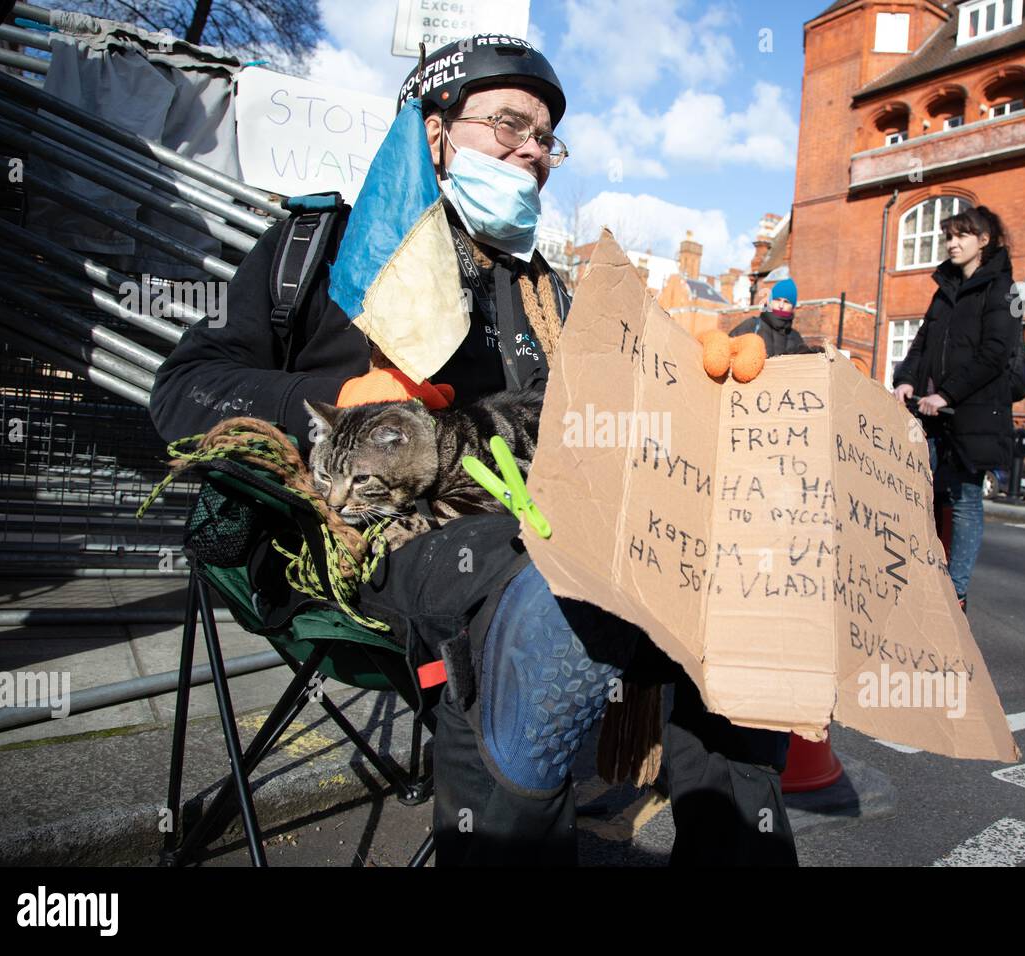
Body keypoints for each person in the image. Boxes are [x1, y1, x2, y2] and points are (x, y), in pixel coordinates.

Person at [150, 35, 795, 867]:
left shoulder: (543, 292)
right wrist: (336, 403)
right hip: (373, 535)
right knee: (544, 597)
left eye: (546, 138)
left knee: (741, 583)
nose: (533, 152)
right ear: (434, 132)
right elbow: (181, 392)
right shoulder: (320, 247)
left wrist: (687, 375)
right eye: (508, 126)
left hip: (539, 522)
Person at [891, 206, 1019, 613]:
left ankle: (956, 588)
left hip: (974, 413)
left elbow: (995, 354)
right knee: (918, 492)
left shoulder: (1002, 289)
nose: (952, 242)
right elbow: (922, 343)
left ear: (984, 240)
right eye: (949, 235)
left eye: (962, 235)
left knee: (964, 499)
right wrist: (905, 379)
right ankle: (918, 573)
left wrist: (946, 393)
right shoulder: (944, 288)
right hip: (931, 415)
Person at [729, 278, 817, 357]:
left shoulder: (795, 336)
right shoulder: (752, 326)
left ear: (792, 307)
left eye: (786, 302)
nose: (781, 305)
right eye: (777, 300)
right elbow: (726, 350)